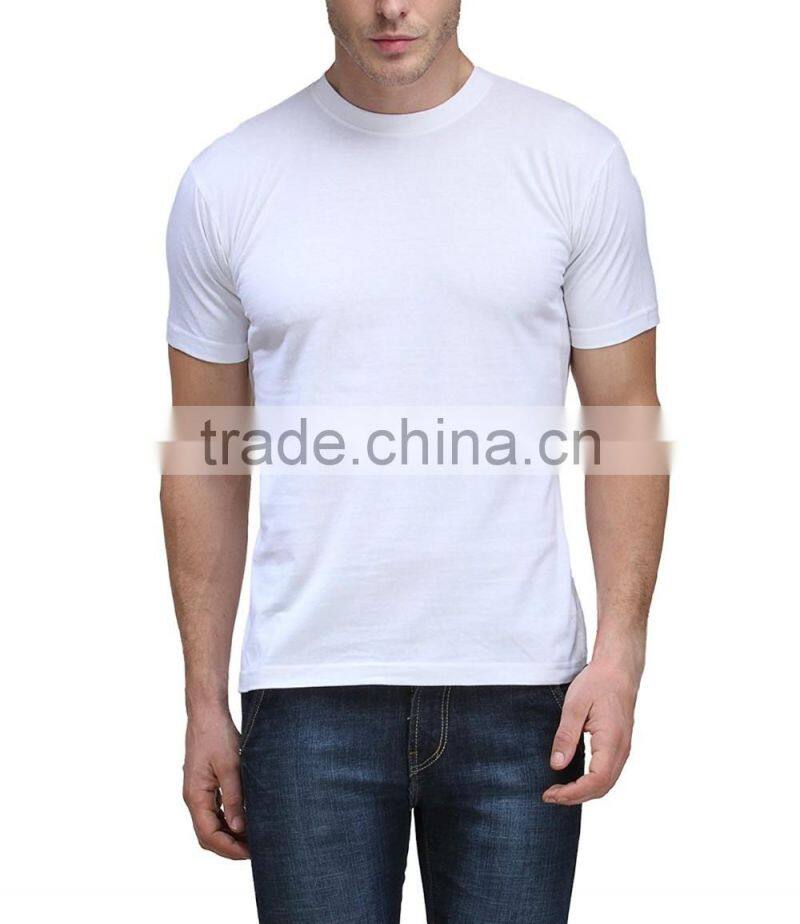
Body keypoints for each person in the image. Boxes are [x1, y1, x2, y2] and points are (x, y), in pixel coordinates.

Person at [161, 1, 669, 920]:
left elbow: (625, 414)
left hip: (523, 691)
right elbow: (204, 453)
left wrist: (622, 651)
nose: (392, 7)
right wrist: (202, 700)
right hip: (308, 691)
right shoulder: (229, 180)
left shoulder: (572, 159)